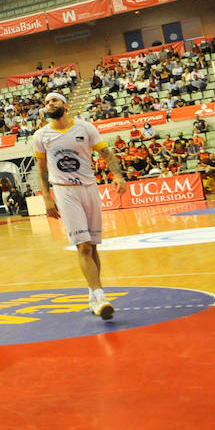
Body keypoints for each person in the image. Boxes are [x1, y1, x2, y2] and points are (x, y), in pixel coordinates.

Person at [31, 93, 127, 320]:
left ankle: (93, 293)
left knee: (92, 246)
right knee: (83, 246)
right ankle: (100, 296)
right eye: (46, 102)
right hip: (64, 191)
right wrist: (46, 196)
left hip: (89, 188)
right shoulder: (41, 135)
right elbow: (42, 169)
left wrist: (118, 175)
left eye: (53, 101)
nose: (49, 104)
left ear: (65, 105)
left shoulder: (86, 128)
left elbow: (106, 153)